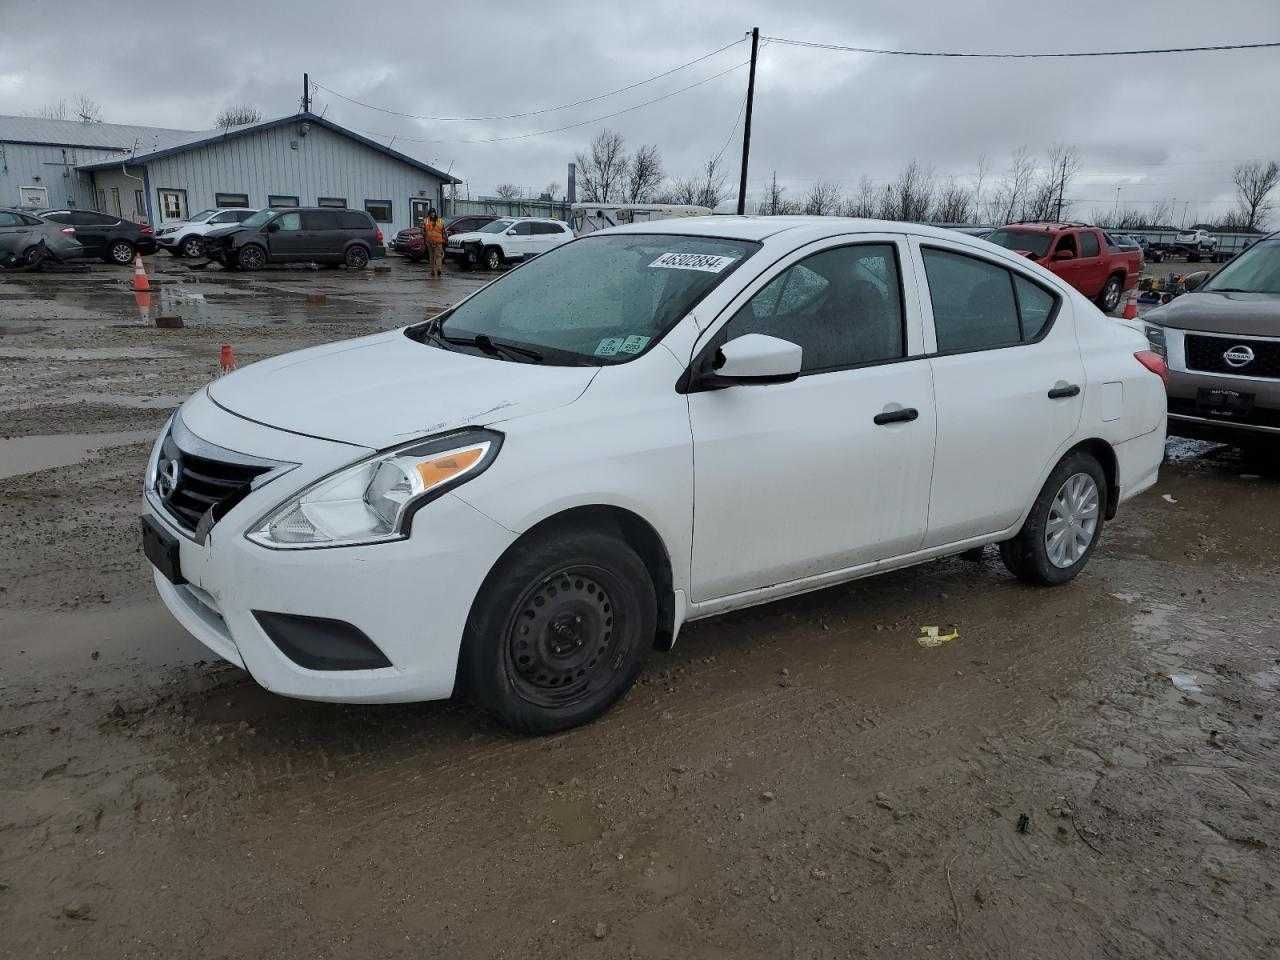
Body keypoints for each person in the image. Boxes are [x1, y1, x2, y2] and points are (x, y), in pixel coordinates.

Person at [423, 209, 447, 279]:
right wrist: (424, 240)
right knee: (431, 257)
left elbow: (443, 231)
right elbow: (423, 231)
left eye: (433, 213)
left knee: (438, 256)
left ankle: (439, 269)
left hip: (438, 242)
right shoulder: (426, 221)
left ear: (435, 213)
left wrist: (444, 239)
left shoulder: (440, 221)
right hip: (429, 242)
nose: (432, 214)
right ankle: (433, 270)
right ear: (429, 213)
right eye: (431, 213)